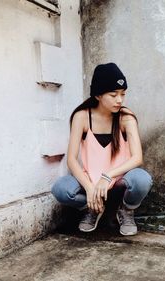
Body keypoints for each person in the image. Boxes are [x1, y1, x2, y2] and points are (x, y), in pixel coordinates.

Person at [51, 63, 153, 236]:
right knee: (61, 189)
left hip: (119, 183)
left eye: (123, 94)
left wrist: (108, 176)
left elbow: (137, 158)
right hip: (91, 181)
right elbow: (71, 160)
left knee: (142, 179)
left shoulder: (126, 117)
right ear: (98, 95)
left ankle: (126, 209)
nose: (119, 100)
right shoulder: (82, 117)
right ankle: (93, 208)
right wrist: (90, 189)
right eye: (113, 95)